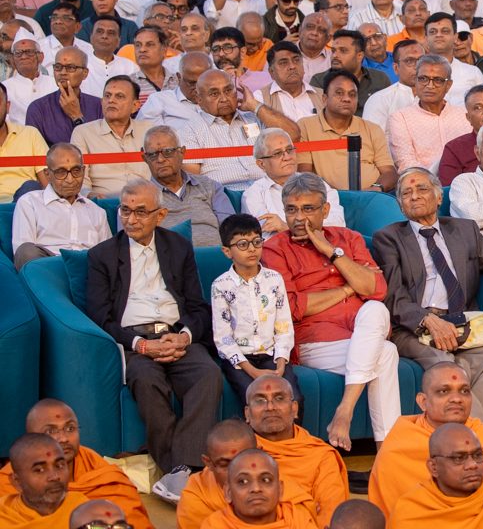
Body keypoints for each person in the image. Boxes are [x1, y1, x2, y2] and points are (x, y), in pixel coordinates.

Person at [84, 178, 224, 501]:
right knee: (147, 382)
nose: (131, 220)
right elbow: (100, 316)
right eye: (125, 211)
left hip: (175, 335)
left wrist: (185, 337)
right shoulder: (102, 256)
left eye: (140, 212)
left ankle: (178, 473)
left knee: (208, 374)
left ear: (160, 215)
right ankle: (184, 470)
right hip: (134, 343)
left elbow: (198, 307)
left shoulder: (178, 246)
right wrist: (142, 346)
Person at [373, 166, 483, 427]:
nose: (414, 196)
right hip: (414, 329)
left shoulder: (464, 231)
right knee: (446, 367)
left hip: (463, 324)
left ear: (440, 197)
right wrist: (429, 320)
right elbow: (393, 297)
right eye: (406, 193)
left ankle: (469, 439)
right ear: (400, 205)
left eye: (422, 189)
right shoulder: (388, 238)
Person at [261, 173, 401, 450]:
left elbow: (376, 289)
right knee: (386, 352)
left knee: (374, 308)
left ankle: (344, 412)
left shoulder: (347, 239)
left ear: (325, 210)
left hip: (362, 331)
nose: (299, 218)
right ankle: (388, 452)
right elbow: (293, 307)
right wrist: (350, 288)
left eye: (308, 209)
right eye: (291, 209)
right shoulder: (275, 249)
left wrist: (331, 252)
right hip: (317, 341)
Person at [368, 362, 483, 520]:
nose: (457, 399)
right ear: (423, 401)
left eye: (464, 391)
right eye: (444, 391)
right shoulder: (398, 449)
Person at [0, 399, 151, 529]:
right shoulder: (6, 484)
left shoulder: (104, 478)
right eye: (50, 431)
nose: (63, 438)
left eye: (70, 428)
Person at [211, 213, 303, 415]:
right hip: (240, 360)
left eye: (256, 241)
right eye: (242, 244)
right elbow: (223, 338)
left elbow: (284, 326)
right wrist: (252, 371)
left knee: (293, 397)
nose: (252, 248)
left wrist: (281, 360)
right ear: (227, 251)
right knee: (256, 399)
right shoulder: (221, 286)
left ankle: (292, 446)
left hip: (272, 355)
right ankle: (260, 447)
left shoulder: (274, 279)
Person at [177, 420, 318, 529]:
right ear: (208, 463)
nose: (256, 488)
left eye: (265, 479)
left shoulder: (295, 516)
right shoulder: (198, 499)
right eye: (225, 465)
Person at [243, 374, 348, 520]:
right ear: (247, 413)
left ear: (294, 408)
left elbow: (331, 515)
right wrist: (303, 512)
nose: (270, 407)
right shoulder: (237, 454)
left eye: (279, 398)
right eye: (260, 400)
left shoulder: (319, 455)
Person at [386, 422, 483, 528]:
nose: (472, 465)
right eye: (459, 458)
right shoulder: (408, 513)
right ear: (433, 467)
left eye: (477, 455)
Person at [12, 143, 111, 269]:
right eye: (61, 172)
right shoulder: (29, 202)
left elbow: (108, 254)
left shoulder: (97, 211)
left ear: (83, 171)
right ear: (47, 174)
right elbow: (22, 254)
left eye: (76, 170)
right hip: (48, 269)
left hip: (87, 272)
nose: (70, 179)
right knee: (26, 251)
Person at [177, 70, 282, 190]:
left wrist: (254, 105)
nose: (224, 99)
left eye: (228, 91)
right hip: (224, 194)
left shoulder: (254, 119)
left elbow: (292, 135)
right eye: (214, 94)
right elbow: (195, 183)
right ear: (199, 100)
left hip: (268, 189)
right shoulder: (190, 131)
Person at [297, 70, 397, 193]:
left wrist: (375, 188)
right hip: (328, 198)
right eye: (339, 93)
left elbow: (389, 173)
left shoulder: (372, 129)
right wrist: (335, 194)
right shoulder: (305, 126)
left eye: (352, 95)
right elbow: (304, 172)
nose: (347, 99)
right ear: (324, 99)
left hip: (370, 197)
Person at [142, 124, 234, 248]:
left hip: (216, 258)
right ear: (145, 159)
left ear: (182, 152)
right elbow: (135, 243)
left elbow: (231, 227)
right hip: (170, 262)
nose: (160, 159)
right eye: (153, 154)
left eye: (167, 152)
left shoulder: (208, 185)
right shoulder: (141, 196)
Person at [242, 129, 345, 238]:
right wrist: (311, 231)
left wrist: (285, 227)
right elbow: (264, 237)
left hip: (323, 250)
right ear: (261, 164)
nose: (287, 157)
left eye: (290, 150)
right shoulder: (254, 194)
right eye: (278, 153)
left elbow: (338, 224)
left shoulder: (317, 183)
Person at [71, 75, 152, 197]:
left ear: (134, 106)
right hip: (104, 205)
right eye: (107, 96)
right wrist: (89, 195)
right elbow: (79, 178)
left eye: (119, 96)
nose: (111, 100)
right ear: (102, 102)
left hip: (148, 201)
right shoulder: (83, 133)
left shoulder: (149, 130)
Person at [197, 448, 319, 529]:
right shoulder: (215, 525)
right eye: (243, 481)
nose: (255, 488)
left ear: (280, 489)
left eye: (265, 480)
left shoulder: (298, 523)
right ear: (228, 492)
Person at [387, 55, 472, 169]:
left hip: (465, 182)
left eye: (438, 80)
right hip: (423, 183)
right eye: (423, 79)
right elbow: (405, 162)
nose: (430, 85)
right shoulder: (400, 118)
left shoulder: (464, 116)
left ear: (448, 85)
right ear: (415, 81)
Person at [0, 434, 88, 527]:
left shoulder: (81, 508)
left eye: (59, 466)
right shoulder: (4, 518)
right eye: (39, 470)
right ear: (17, 482)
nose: (54, 477)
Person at [25, 47, 101, 145]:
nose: (63, 72)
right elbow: (34, 151)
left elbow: (100, 147)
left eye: (70, 67)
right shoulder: (38, 108)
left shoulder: (99, 106)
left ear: (85, 73)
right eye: (58, 67)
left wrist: (77, 116)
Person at [137, 51, 212, 129]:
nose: (197, 89)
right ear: (179, 78)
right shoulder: (159, 101)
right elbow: (147, 135)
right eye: (191, 83)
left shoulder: (221, 101)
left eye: (203, 83)